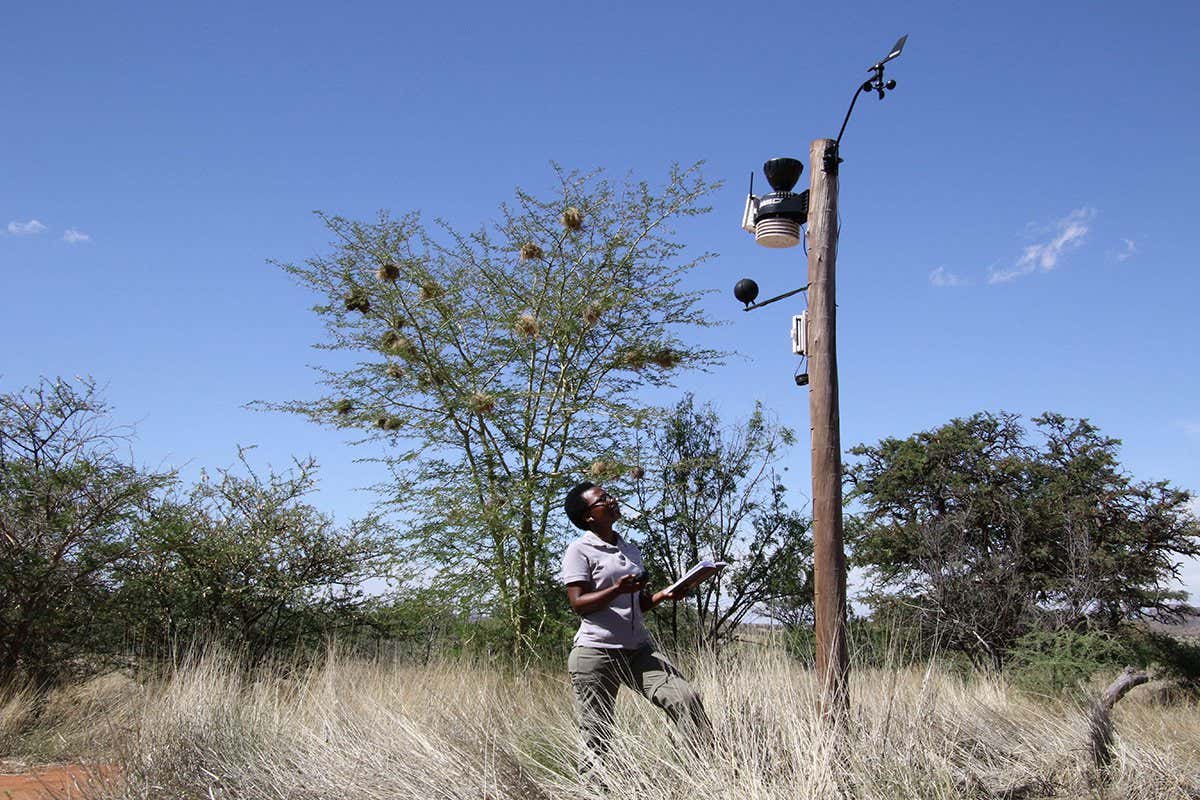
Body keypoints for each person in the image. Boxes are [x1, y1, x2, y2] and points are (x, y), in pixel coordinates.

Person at [560, 481, 712, 784]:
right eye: (603, 499)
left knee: (686, 698)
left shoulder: (629, 549)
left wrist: (664, 595)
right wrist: (617, 588)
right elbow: (578, 604)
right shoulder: (579, 550)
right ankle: (594, 790)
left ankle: (701, 777)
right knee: (596, 737)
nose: (612, 500)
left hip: (638, 650)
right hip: (595, 654)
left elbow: (636, 605)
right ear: (589, 516)